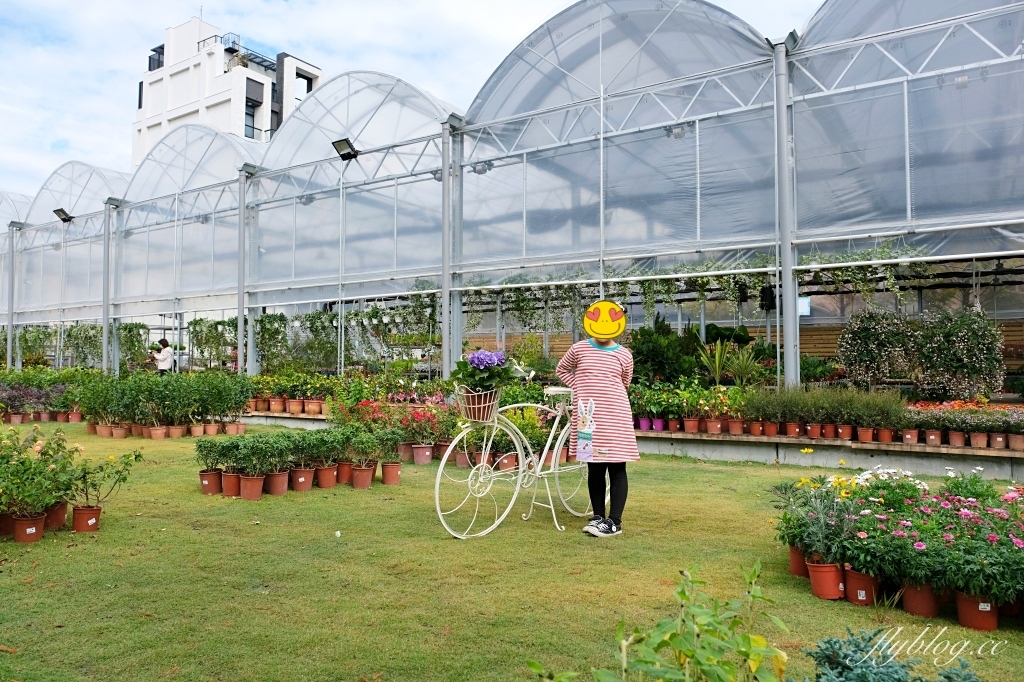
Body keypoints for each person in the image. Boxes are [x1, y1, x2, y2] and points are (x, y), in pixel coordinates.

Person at [555, 300, 639, 538]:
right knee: (594, 467)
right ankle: (598, 516)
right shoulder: (579, 349)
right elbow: (562, 370)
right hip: (588, 420)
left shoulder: (624, 355)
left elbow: (623, 384)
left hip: (615, 419)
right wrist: (579, 387)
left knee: (616, 466)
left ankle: (615, 521)